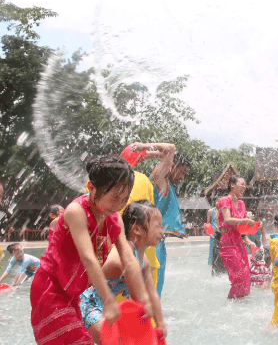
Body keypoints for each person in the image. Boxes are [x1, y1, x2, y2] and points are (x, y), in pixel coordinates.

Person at [29, 155, 152, 344]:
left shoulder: (113, 218)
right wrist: (109, 300)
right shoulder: (76, 212)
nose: (119, 204)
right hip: (49, 289)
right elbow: (88, 258)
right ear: (92, 188)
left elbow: (129, 258)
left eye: (124, 199)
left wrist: (143, 299)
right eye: (114, 197)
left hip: (72, 294)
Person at [80, 200, 167, 344]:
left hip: (108, 307)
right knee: (119, 341)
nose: (161, 232)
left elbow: (152, 294)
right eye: (157, 226)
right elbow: (139, 298)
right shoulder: (122, 259)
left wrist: (160, 323)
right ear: (137, 229)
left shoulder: (143, 260)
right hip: (88, 305)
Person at [121, 142, 176, 291]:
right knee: (148, 305)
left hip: (121, 252)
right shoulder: (145, 180)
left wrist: (143, 152)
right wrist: (144, 147)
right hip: (145, 253)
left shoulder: (106, 182)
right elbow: (170, 149)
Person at [151, 150, 191, 297]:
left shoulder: (167, 184)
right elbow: (170, 149)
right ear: (172, 165)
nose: (182, 177)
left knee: (157, 285)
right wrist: (144, 149)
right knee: (153, 284)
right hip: (151, 244)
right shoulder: (161, 181)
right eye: (182, 172)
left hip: (157, 242)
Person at [218, 175, 256, 299]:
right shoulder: (225, 200)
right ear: (232, 185)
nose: (244, 187)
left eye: (245, 185)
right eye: (242, 184)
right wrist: (246, 220)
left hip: (238, 241)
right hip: (227, 241)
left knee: (245, 274)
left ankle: (239, 303)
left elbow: (242, 229)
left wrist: (249, 241)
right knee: (238, 275)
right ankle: (231, 303)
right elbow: (228, 220)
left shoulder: (241, 203)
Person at [206, 200, 219, 265]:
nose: (218, 203)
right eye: (217, 201)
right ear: (215, 202)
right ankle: (211, 263)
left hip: (221, 232)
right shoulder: (210, 211)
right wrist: (209, 233)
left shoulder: (223, 211)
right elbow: (208, 223)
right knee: (212, 248)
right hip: (213, 233)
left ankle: (219, 263)